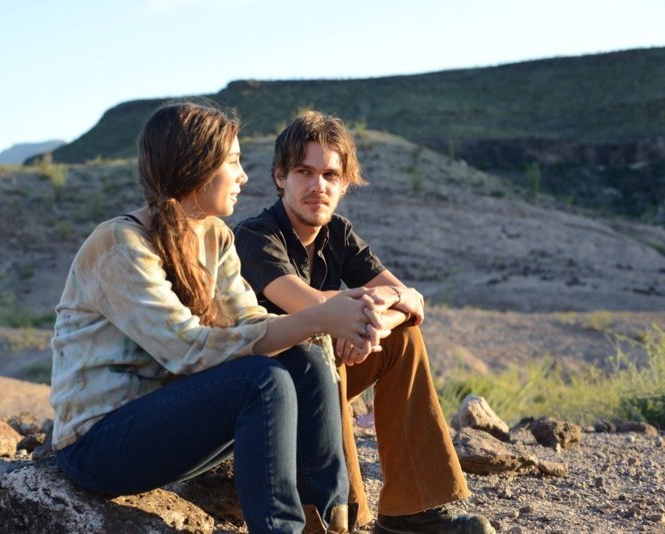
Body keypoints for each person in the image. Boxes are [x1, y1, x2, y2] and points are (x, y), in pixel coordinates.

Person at [48, 102, 385, 533]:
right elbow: (187, 350)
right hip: (97, 445)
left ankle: (328, 520)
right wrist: (320, 318)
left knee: (304, 358)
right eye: (233, 162)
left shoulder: (216, 237)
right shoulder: (120, 244)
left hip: (171, 421)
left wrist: (324, 323)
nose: (243, 176)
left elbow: (249, 321)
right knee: (260, 381)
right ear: (197, 167)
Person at [234, 111, 495, 533]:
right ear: (281, 176)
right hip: (267, 388)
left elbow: (411, 301)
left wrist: (373, 320)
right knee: (320, 349)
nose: (319, 186)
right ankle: (343, 515)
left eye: (330, 175)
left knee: (402, 338)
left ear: (344, 183)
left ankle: (411, 512)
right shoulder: (256, 236)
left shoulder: (337, 233)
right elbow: (308, 306)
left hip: (322, 372)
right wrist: (359, 318)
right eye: (305, 172)